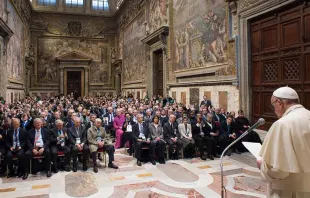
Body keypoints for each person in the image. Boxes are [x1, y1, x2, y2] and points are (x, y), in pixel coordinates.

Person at [257, 87, 310, 198]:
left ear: (279, 103)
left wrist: (261, 165)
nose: (274, 110)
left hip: (289, 192)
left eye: (273, 106)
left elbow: (278, 171)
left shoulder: (282, 124)